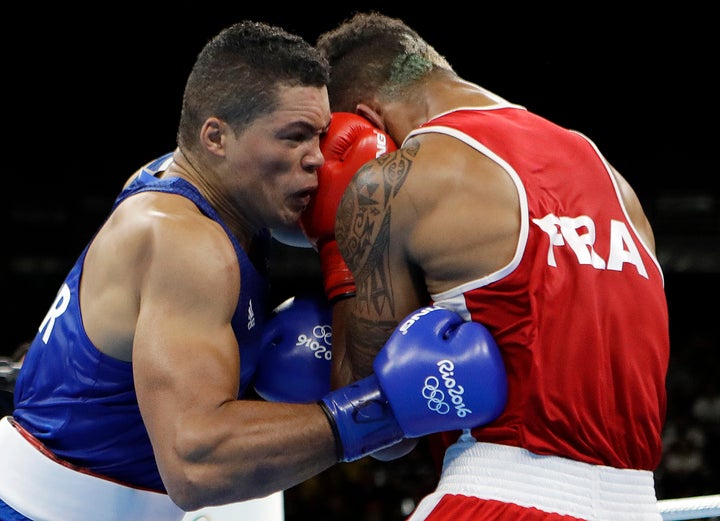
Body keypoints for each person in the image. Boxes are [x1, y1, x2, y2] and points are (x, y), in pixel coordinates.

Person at [0, 19, 507, 521]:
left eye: (323, 137)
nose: (318, 160)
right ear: (217, 137)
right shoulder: (185, 241)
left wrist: (345, 238)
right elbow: (196, 464)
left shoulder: (204, 189)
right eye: (295, 137)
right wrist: (382, 409)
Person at [303, 11, 671, 521]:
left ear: (362, 121)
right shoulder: (612, 178)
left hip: (496, 495)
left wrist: (337, 244)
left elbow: (376, 423)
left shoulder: (395, 180)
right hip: (636, 504)